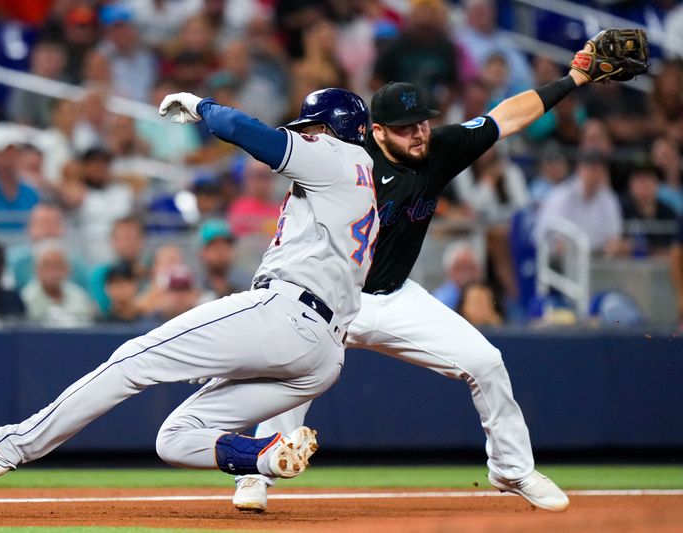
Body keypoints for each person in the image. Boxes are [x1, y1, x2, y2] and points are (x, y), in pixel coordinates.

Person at [231, 37, 630, 513]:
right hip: (331, 298)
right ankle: (256, 472)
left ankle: (511, 468)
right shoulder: (345, 165)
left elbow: (507, 116)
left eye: (422, 120)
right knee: (294, 375)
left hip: (396, 296)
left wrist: (574, 79)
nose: (418, 133)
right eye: (404, 128)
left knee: (485, 361)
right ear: (375, 131)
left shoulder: (439, 148)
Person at [0, 87, 378, 486]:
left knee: (132, 360)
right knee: (175, 438)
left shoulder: (336, 156)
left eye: (313, 128)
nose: (307, 136)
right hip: (324, 356)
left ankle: (9, 445)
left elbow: (242, 131)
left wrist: (201, 106)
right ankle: (266, 455)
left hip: (288, 315)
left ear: (335, 129)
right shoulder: (362, 186)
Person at [20, 240, 95, 328]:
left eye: (58, 265)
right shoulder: (26, 298)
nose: (54, 271)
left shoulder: (80, 297)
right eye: (48, 265)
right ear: (37, 269)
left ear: (68, 269)